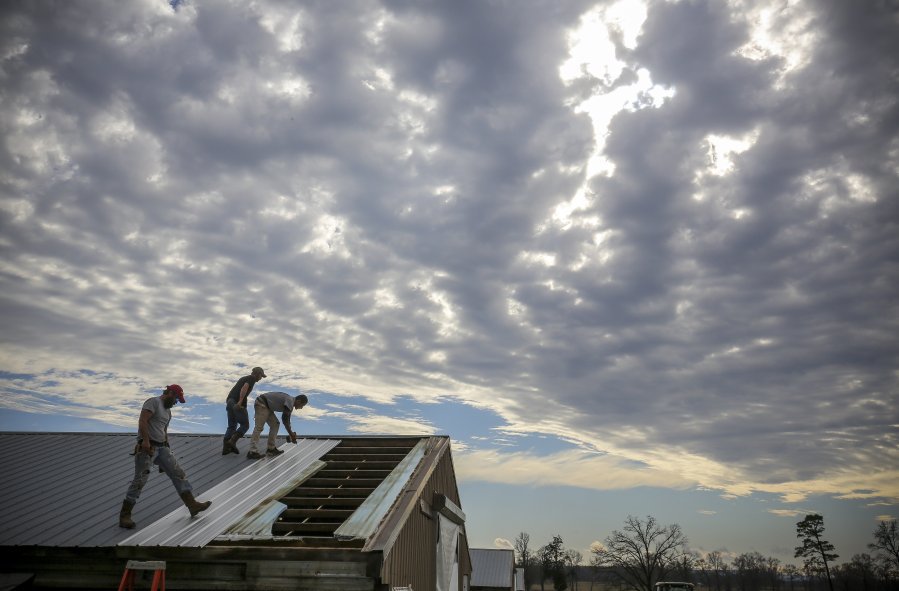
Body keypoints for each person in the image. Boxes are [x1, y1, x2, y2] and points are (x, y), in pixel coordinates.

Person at [118, 385, 212, 529]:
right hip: (147, 447)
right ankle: (125, 516)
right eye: (175, 398)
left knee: (178, 473)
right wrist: (146, 441)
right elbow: (143, 421)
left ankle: (192, 505)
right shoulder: (153, 402)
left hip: (162, 448)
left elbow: (164, 431)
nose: (175, 402)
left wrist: (167, 448)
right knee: (140, 480)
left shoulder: (168, 412)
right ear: (169, 393)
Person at [246, 392, 308, 460]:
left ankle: (271, 449)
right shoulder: (290, 401)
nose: (301, 408)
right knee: (259, 427)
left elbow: (287, 421)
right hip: (261, 403)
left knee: (275, 424)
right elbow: (285, 419)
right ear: (298, 401)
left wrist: (291, 433)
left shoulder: (290, 402)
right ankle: (252, 452)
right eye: (302, 405)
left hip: (267, 406)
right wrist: (291, 434)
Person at [222, 366, 266, 455]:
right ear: (257, 374)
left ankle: (226, 448)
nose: (261, 378)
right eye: (261, 376)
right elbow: (244, 388)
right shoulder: (251, 378)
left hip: (230, 401)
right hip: (237, 403)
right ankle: (231, 442)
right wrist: (240, 402)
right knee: (245, 425)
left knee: (232, 426)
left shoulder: (243, 378)